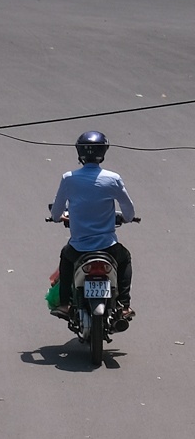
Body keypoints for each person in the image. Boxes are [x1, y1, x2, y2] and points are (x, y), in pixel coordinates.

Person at [49, 131, 138, 317]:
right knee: (125, 258)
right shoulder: (113, 178)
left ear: (79, 153)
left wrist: (59, 217)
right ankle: (124, 305)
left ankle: (65, 305)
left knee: (66, 259)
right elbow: (129, 211)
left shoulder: (69, 178)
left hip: (78, 248)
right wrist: (126, 218)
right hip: (108, 247)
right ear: (103, 152)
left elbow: (56, 212)